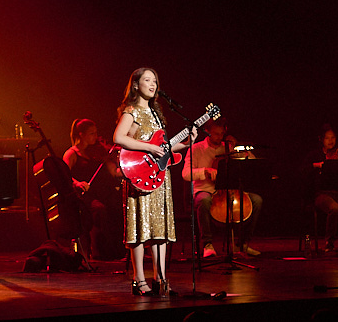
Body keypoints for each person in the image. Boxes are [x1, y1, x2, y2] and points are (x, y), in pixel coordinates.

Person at [113, 67, 196, 296]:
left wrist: (187, 142)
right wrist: (150, 147)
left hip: (160, 177)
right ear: (136, 85)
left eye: (155, 81)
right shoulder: (131, 111)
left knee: (160, 228)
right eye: (147, 80)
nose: (152, 84)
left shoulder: (157, 114)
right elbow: (119, 138)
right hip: (139, 176)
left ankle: (161, 278)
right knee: (139, 227)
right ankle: (139, 279)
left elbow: (164, 148)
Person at [181, 118, 263, 258]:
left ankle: (242, 244)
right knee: (204, 200)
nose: (219, 137)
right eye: (216, 134)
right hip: (206, 190)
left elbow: (252, 163)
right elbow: (185, 174)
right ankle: (207, 244)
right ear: (207, 132)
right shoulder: (196, 149)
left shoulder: (228, 147)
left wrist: (237, 147)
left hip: (229, 191)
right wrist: (204, 171)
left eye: (221, 134)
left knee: (257, 200)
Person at [62, 118, 125, 261]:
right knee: (99, 209)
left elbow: (114, 172)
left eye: (96, 133)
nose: (95, 137)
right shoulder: (71, 153)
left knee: (118, 206)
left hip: (101, 193)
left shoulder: (97, 152)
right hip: (84, 196)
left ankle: (119, 251)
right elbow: (65, 176)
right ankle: (100, 252)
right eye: (91, 134)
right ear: (81, 134)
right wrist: (77, 183)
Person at [300, 124, 338, 252]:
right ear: (321, 139)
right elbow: (302, 170)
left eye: (333, 138)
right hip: (321, 194)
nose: (331, 141)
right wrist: (316, 165)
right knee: (334, 208)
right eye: (327, 138)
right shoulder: (314, 155)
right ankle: (329, 242)